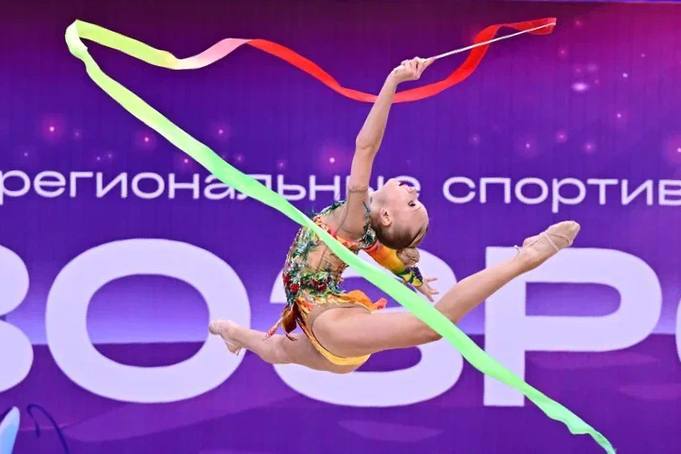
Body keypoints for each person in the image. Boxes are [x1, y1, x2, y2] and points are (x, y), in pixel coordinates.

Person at [209, 56, 580, 374]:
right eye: (416, 199)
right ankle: (233, 333)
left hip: (330, 323)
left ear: (385, 216)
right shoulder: (368, 233)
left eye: (413, 204)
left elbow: (365, 147)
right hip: (329, 335)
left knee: (430, 328)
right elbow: (385, 254)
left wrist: (394, 81)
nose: (414, 192)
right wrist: (411, 277)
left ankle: (524, 258)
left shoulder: (355, 219)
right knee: (276, 350)